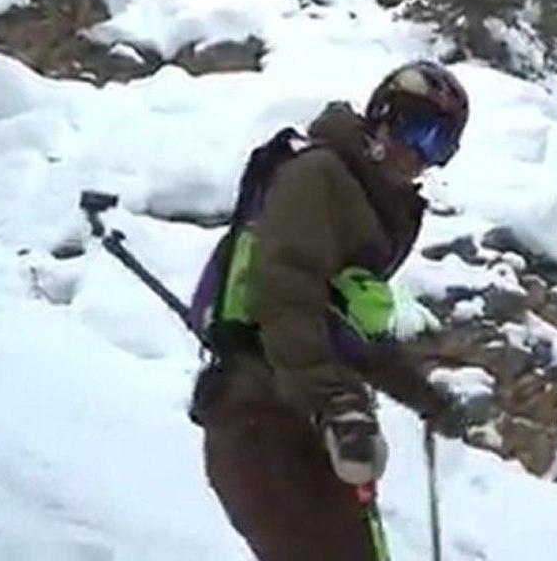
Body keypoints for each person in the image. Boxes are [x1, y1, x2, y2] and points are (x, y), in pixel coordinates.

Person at [189, 60, 474, 561]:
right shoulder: (320, 174)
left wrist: (423, 397)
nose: (422, 155)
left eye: (441, 146)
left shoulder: (377, 204)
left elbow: (342, 327)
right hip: (261, 417)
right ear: (385, 115)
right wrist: (334, 401)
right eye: (419, 131)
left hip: (312, 425)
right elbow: (284, 292)